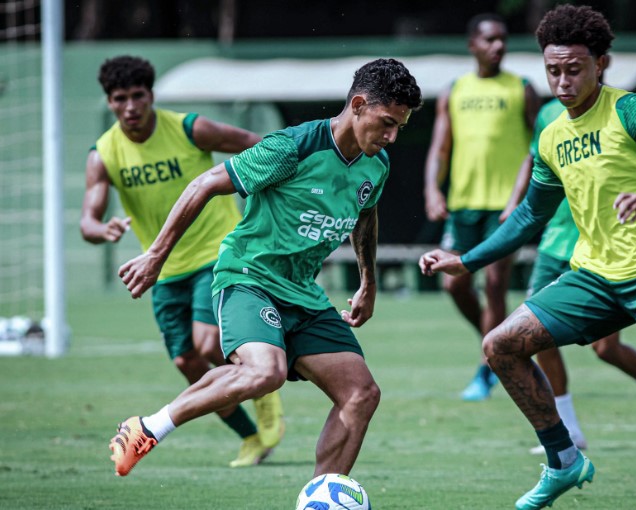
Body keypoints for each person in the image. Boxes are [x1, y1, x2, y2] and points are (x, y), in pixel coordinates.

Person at [419, 5, 636, 509]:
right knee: (500, 345)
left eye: (574, 69)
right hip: (595, 274)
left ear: (602, 64)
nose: (562, 81)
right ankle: (563, 460)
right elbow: (529, 217)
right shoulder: (552, 133)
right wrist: (465, 260)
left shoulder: (631, 110)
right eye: (553, 70)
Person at [107, 58, 423, 478]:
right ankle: (147, 428)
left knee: (361, 393)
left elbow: (365, 216)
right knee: (264, 372)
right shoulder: (292, 147)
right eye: (386, 123)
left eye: (399, 126)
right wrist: (155, 256)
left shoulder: (375, 165)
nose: (392, 136)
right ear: (359, 104)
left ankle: (320, 502)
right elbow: (203, 184)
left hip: (303, 292)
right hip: (248, 278)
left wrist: (368, 281)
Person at [81, 55, 285, 469]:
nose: (131, 106)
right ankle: (250, 436)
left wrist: (268, 195)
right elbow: (88, 218)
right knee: (185, 360)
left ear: (151, 95)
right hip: (164, 268)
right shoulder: (103, 154)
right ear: (110, 102)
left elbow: (259, 144)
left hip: (218, 253)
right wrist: (101, 230)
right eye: (121, 98)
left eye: (139, 96)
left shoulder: (191, 129)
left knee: (209, 342)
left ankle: (261, 386)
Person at [517, 100, 636, 454]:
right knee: (532, 338)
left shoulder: (623, 111)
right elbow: (534, 163)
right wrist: (513, 207)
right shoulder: (547, 115)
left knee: (605, 348)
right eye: (555, 68)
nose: (565, 79)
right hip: (554, 243)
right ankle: (568, 429)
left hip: (600, 246)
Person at [423, 13, 539, 401]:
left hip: (505, 208)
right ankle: (496, 341)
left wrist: (520, 199)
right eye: (489, 39)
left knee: (494, 286)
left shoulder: (522, 88)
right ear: (472, 44)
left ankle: (485, 371)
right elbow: (440, 148)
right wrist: (432, 191)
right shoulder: (454, 89)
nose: (498, 46)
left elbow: (540, 147)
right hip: (463, 204)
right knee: (453, 284)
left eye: (503, 39)